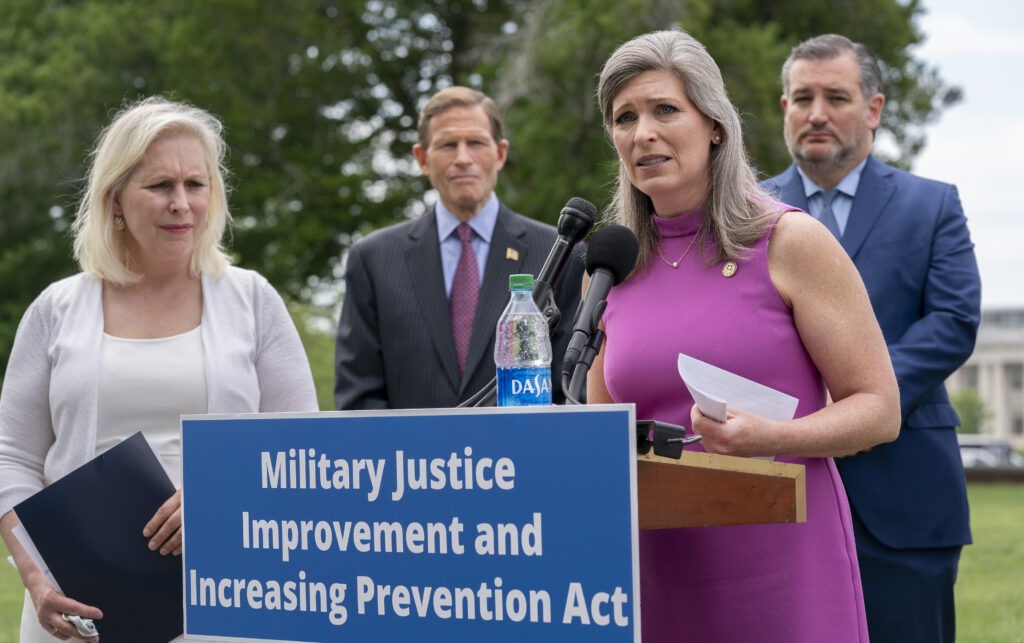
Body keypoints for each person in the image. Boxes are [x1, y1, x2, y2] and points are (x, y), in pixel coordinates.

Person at [588, 30, 901, 641]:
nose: (642, 131)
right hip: (656, 567)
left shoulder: (789, 242)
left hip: (780, 558)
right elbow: (603, 429)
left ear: (714, 126)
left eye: (665, 110)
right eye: (624, 117)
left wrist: (774, 437)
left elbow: (880, 409)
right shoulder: (608, 270)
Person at [0, 96, 318, 642]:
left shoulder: (253, 300)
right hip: (80, 613)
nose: (182, 204)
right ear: (115, 199)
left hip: (228, 599)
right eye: (160, 186)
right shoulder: (55, 309)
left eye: (196, 185)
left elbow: (300, 449)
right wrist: (36, 576)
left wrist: (218, 495)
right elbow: (11, 456)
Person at [763, 33, 981, 642]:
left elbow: (953, 322)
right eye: (802, 97)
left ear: (874, 109)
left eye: (836, 96)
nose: (816, 113)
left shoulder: (932, 206)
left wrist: (859, 402)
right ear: (784, 109)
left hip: (905, 496)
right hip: (778, 488)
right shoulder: (746, 215)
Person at [334, 86, 584, 410]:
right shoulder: (373, 260)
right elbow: (359, 399)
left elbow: (573, 391)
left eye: (476, 143)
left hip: (526, 456)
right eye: (448, 145)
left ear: (500, 154)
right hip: (412, 459)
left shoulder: (559, 252)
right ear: (422, 159)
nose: (463, 158)